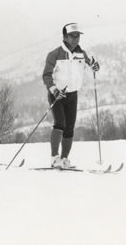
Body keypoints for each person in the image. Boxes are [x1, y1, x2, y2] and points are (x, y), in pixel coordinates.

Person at [42, 23, 100, 168]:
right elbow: (46, 76)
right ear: (65, 37)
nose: (76, 39)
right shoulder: (54, 54)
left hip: (73, 95)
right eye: (72, 36)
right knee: (60, 123)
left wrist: (94, 66)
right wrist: (54, 90)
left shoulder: (82, 53)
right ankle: (54, 158)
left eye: (78, 35)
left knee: (69, 128)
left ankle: (64, 159)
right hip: (57, 95)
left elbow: (90, 63)